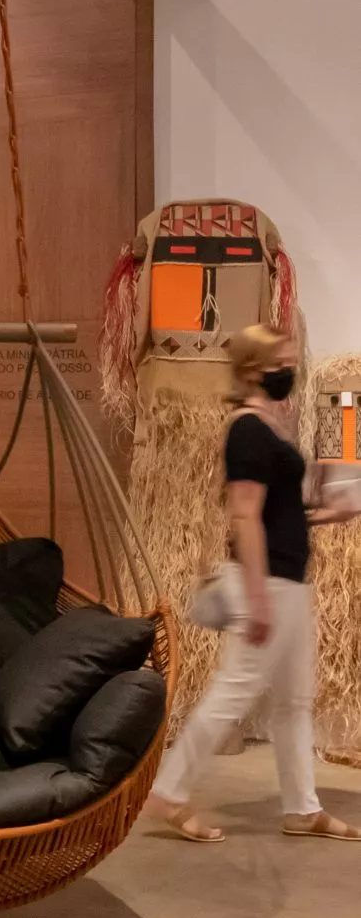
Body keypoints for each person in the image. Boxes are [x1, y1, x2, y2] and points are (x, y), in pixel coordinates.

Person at [146, 324, 361, 845]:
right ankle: (168, 792)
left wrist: (325, 514)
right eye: (280, 361)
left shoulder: (269, 425)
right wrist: (259, 599)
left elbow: (276, 513)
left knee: (295, 699)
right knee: (233, 692)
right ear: (252, 369)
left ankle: (302, 808)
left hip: (288, 581)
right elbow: (244, 515)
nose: (290, 369)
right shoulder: (246, 429)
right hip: (264, 583)